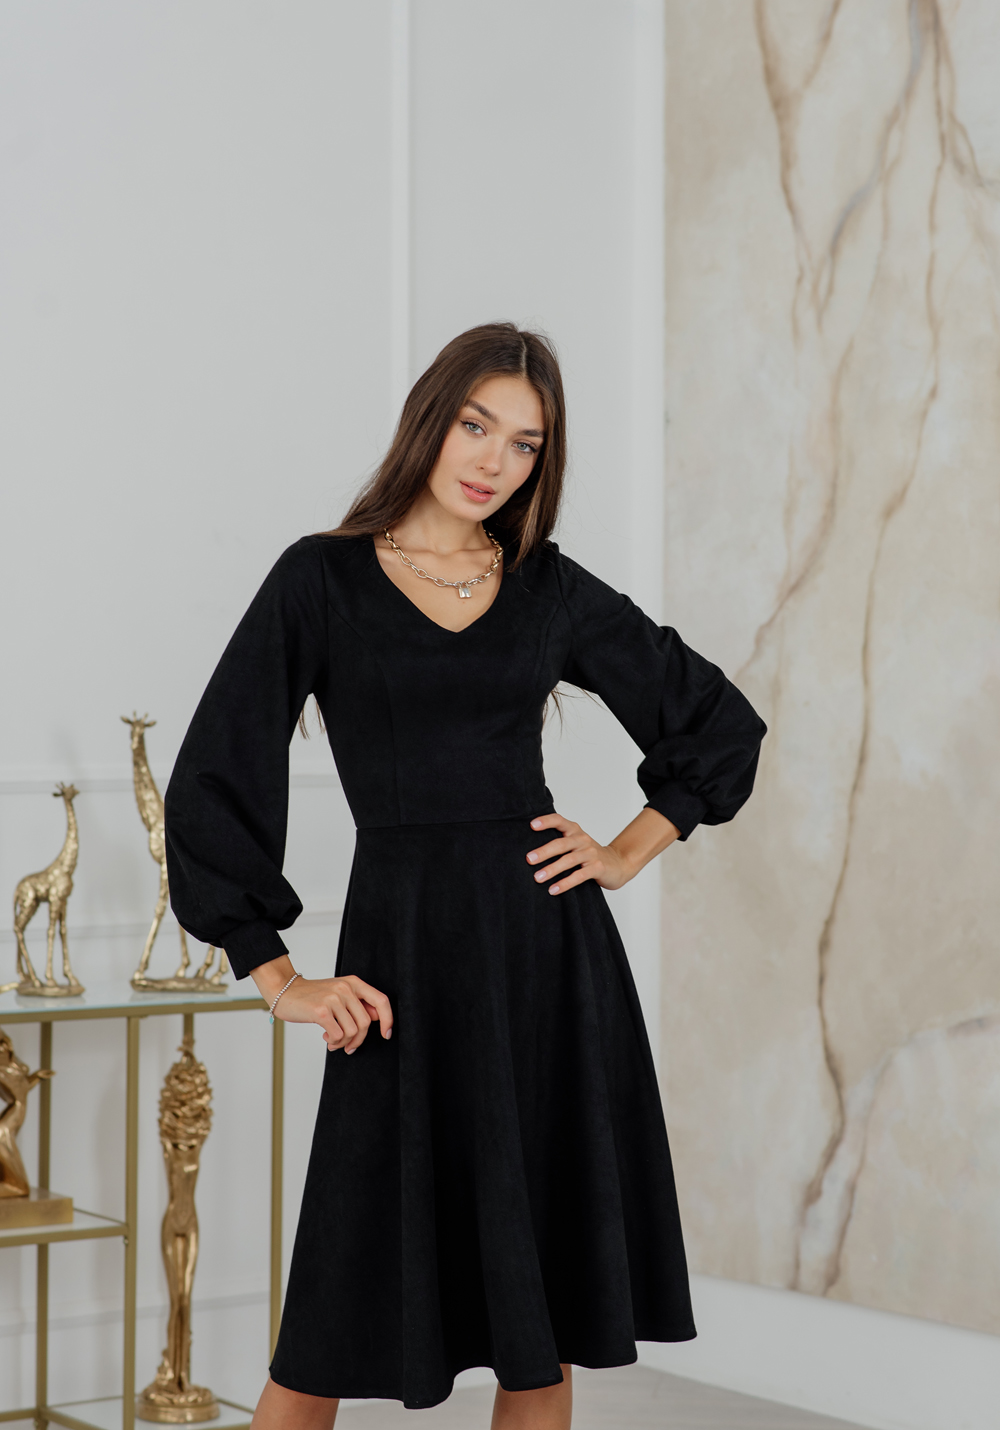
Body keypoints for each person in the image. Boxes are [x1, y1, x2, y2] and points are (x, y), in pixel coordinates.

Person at [164, 323, 765, 1430]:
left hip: (547, 961)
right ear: (430, 419)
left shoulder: (546, 588)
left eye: (524, 444)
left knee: (541, 1329)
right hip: (400, 963)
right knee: (327, 1324)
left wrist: (626, 849)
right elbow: (216, 770)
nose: (494, 459)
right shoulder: (321, 578)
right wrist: (277, 975)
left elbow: (718, 723)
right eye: (477, 425)